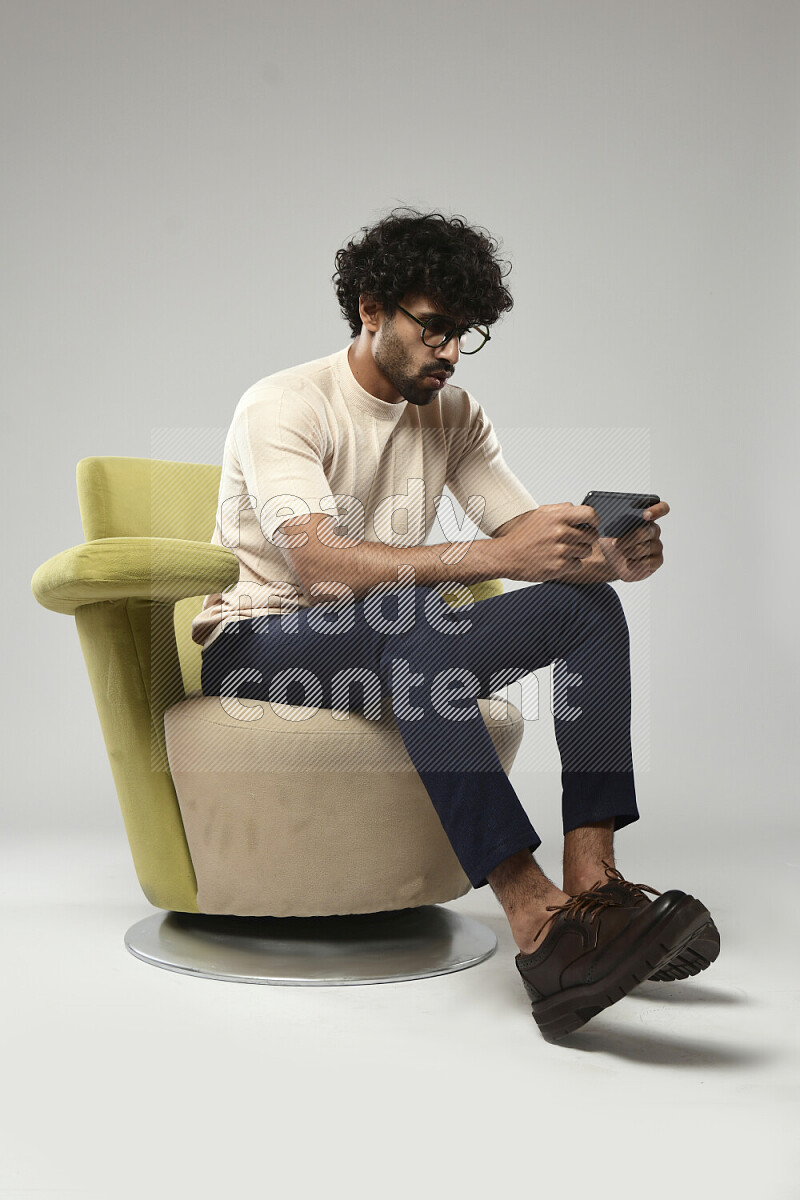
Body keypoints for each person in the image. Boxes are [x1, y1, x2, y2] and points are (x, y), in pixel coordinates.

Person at [194, 206, 719, 1042]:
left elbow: (523, 543)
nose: (448, 353)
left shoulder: (455, 413)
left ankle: (596, 886)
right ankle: (538, 922)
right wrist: (481, 558)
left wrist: (605, 554)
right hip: (261, 643)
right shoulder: (285, 403)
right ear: (371, 309)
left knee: (584, 611)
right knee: (415, 613)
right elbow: (320, 564)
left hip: (402, 640)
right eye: (434, 329)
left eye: (465, 335)